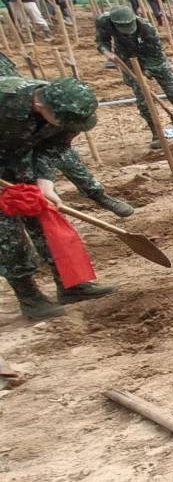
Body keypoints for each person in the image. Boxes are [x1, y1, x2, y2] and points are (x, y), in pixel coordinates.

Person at [0, 76, 111, 320]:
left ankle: (70, 285)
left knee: (46, 219)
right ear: (41, 106)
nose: (71, 127)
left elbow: (55, 146)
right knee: (7, 234)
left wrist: (44, 182)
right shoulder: (5, 99)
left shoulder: (70, 108)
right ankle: (29, 298)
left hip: (21, 164)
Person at [95, 5, 173, 146]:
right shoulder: (103, 21)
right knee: (143, 100)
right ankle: (157, 133)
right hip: (127, 59)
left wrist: (146, 73)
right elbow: (101, 41)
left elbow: (156, 56)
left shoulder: (147, 28)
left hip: (154, 59)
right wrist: (106, 52)